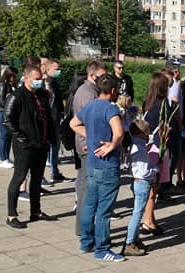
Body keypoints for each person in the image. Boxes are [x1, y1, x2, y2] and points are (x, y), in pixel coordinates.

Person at [69, 76, 125, 261]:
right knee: (104, 209)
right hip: (107, 165)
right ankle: (102, 249)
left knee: (89, 204)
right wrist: (112, 145)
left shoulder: (90, 106)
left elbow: (73, 123)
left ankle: (86, 242)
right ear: (113, 91)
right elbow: (119, 132)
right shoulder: (110, 108)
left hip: (92, 164)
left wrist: (91, 137)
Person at [3, 64, 57, 229]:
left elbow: (47, 117)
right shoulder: (17, 96)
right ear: (26, 78)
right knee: (19, 177)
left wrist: (51, 138)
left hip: (41, 143)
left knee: (37, 179)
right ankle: (12, 215)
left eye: (40, 79)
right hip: (25, 146)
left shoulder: (41, 94)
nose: (39, 82)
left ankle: (36, 211)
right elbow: (7, 121)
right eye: (36, 79)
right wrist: (22, 138)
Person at [72, 61, 105, 235]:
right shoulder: (89, 94)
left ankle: (84, 228)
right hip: (87, 146)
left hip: (85, 144)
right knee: (87, 190)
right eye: (102, 76)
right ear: (92, 75)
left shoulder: (87, 90)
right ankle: (84, 229)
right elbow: (89, 122)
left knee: (85, 186)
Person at [142, 72, 173, 232]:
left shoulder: (147, 103)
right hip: (158, 147)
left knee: (150, 184)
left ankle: (150, 217)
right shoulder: (163, 105)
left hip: (147, 147)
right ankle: (148, 220)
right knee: (154, 187)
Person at [123, 119, 156, 257]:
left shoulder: (138, 145)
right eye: (147, 131)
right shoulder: (139, 148)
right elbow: (143, 171)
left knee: (138, 212)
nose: (148, 134)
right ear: (142, 133)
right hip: (142, 181)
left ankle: (135, 239)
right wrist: (155, 170)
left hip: (139, 181)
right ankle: (130, 242)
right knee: (137, 213)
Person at [43, 59, 67, 184]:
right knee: (44, 148)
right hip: (44, 120)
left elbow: (58, 100)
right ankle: (40, 177)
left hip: (55, 118)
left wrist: (61, 113)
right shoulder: (41, 83)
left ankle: (55, 172)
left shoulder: (55, 83)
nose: (59, 71)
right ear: (48, 69)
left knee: (55, 145)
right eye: (56, 69)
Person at [0, 66, 18, 168]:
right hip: (3, 112)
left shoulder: (12, 85)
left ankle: (7, 158)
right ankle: (2, 159)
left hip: (10, 112)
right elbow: (2, 101)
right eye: (13, 76)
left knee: (9, 136)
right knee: (3, 136)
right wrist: (9, 98)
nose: (14, 78)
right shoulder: (3, 84)